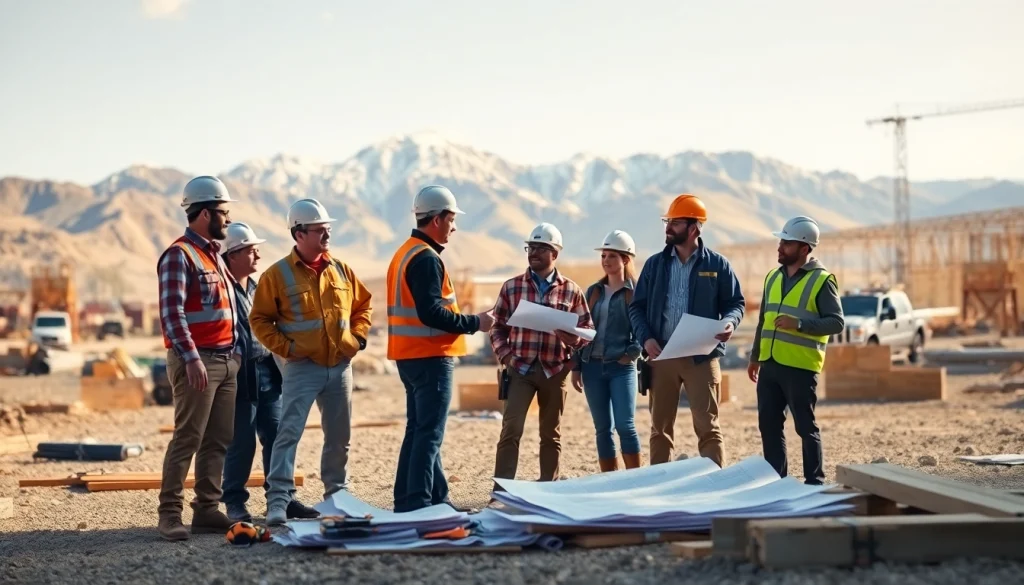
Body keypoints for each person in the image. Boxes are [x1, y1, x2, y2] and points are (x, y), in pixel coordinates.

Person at [249, 198, 373, 526]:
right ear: (299, 233)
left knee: (340, 436)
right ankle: (278, 501)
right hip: (302, 368)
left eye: (328, 229)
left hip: (340, 366)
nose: (327, 235)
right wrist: (287, 349)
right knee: (288, 433)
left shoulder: (342, 270)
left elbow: (363, 306)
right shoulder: (277, 275)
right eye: (320, 230)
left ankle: (337, 496)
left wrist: (356, 340)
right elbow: (259, 319)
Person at [386, 185, 496, 512]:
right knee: (429, 434)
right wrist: (476, 322)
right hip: (430, 357)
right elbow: (431, 313)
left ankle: (426, 500)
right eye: (451, 219)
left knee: (419, 430)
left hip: (410, 356)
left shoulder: (405, 253)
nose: (454, 227)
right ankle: (421, 506)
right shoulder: (425, 259)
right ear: (437, 220)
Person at [628, 194, 745, 467]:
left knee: (708, 427)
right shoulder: (655, 265)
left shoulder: (717, 265)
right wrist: (646, 339)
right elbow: (636, 308)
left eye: (675, 223)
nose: (668, 228)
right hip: (661, 356)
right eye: (667, 222)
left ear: (694, 228)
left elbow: (735, 303)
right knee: (660, 429)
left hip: (702, 358)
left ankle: (714, 480)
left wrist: (730, 321)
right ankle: (660, 480)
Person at [156, 175, 241, 541]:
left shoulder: (214, 255)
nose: (228, 219)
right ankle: (169, 514)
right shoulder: (179, 255)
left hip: (226, 360)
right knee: (187, 437)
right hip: (198, 361)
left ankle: (207, 509)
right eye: (223, 212)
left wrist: (236, 354)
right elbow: (171, 312)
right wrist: (191, 359)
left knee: (218, 438)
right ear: (205, 213)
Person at [489, 223, 595, 487]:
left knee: (551, 435)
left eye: (540, 248)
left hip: (555, 371)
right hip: (519, 370)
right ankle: (502, 491)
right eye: (530, 247)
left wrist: (574, 343)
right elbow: (497, 327)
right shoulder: (511, 287)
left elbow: (587, 329)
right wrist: (507, 357)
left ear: (554, 254)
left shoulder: (571, 290)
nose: (533, 253)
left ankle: (549, 488)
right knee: (510, 430)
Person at [747, 216, 844, 485]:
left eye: (786, 243)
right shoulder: (772, 277)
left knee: (805, 426)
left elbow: (836, 322)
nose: (780, 247)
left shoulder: (822, 280)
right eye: (781, 241)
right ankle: (776, 480)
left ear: (804, 248)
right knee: (769, 425)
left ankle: (814, 482)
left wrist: (799, 324)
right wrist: (755, 357)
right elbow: (763, 321)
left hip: (800, 366)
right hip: (769, 363)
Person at [218, 222, 290, 522]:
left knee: (278, 436)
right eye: (251, 250)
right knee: (241, 443)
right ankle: (234, 502)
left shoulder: (257, 287)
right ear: (233, 255)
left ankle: (282, 498)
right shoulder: (222, 289)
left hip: (267, 372)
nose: (258, 255)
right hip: (240, 375)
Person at [570, 230, 644, 472]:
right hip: (591, 367)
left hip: (621, 369)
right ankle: (609, 480)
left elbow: (644, 328)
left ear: (626, 259)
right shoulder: (593, 292)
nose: (606, 260)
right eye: (603, 255)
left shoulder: (636, 293)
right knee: (602, 429)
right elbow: (581, 329)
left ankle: (635, 479)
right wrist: (576, 366)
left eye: (612, 255)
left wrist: (630, 355)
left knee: (625, 426)